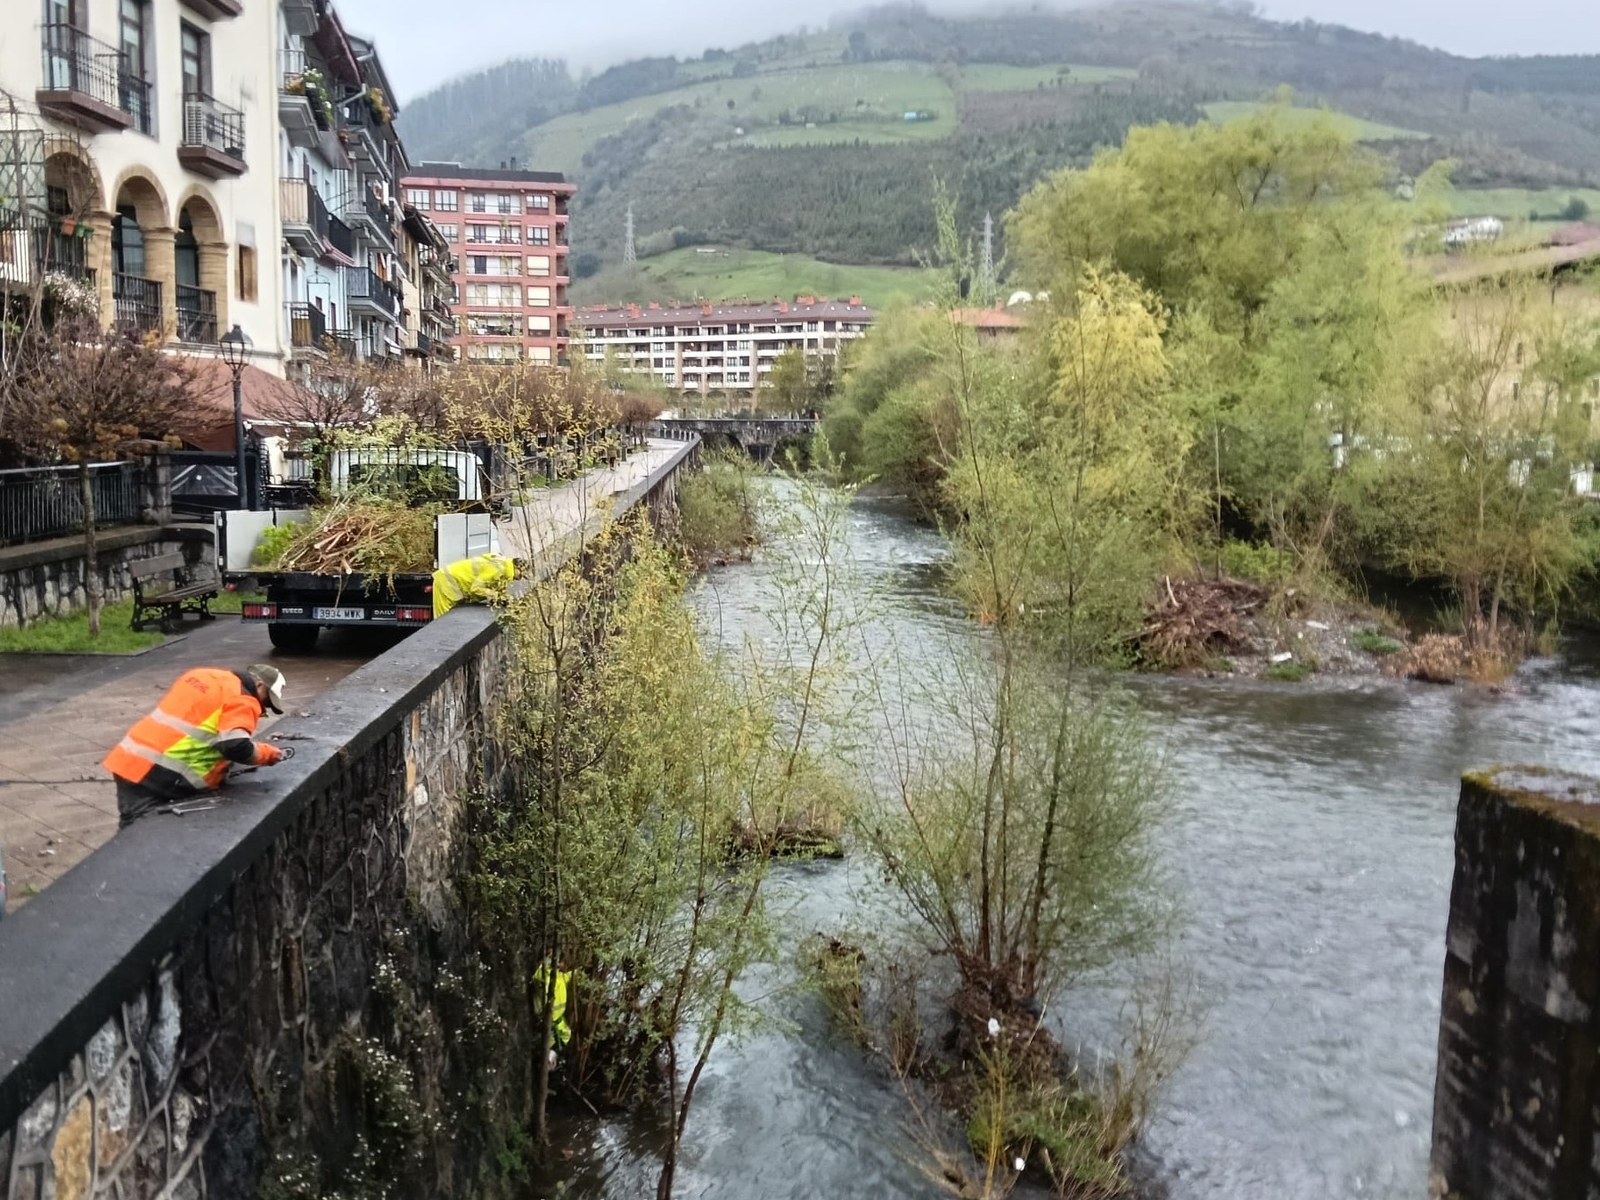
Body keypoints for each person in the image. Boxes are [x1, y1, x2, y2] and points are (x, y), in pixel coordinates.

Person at [104, 664, 292, 825]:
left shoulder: (202, 675)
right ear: (259, 684)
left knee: (130, 828)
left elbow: (200, 725)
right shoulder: (243, 698)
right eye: (266, 700)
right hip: (159, 776)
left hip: (130, 757)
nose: (263, 707)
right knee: (145, 837)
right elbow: (235, 745)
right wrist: (268, 754)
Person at [430, 552, 521, 619]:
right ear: (516, 567)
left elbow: (493, 585)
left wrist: (503, 597)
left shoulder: (503, 567)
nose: (520, 578)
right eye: (521, 574)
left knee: (449, 621)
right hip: (446, 582)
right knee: (442, 622)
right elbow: (476, 588)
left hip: (451, 583)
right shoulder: (498, 568)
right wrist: (495, 595)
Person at [533, 957, 572, 1068]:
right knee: (552, 1041)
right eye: (561, 962)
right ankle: (548, 1060)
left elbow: (570, 976)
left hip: (555, 1020)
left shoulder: (560, 976)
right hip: (546, 1020)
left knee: (564, 1037)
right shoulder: (542, 975)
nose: (563, 964)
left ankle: (550, 1058)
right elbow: (539, 977)